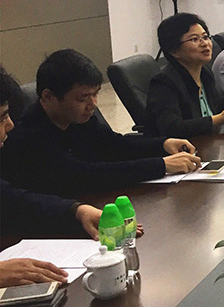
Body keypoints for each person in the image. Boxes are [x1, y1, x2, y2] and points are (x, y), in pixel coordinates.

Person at [1, 50, 201, 198]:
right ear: (48, 96)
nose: (92, 104)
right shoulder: (27, 135)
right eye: (82, 98)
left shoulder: (78, 119)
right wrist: (160, 165)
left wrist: (163, 144)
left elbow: (115, 145)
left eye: (95, 94)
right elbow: (83, 176)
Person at [0, 67, 120, 287]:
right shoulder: (29, 135)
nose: (10, 125)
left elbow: (12, 199)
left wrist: (76, 210)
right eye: (2, 117)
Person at [145, 13, 224, 138]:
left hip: (209, 141)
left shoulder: (204, 73)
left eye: (205, 37)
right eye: (194, 39)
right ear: (174, 50)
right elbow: (172, 128)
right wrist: (217, 119)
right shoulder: (164, 83)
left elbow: (217, 103)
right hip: (185, 148)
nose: (205, 43)